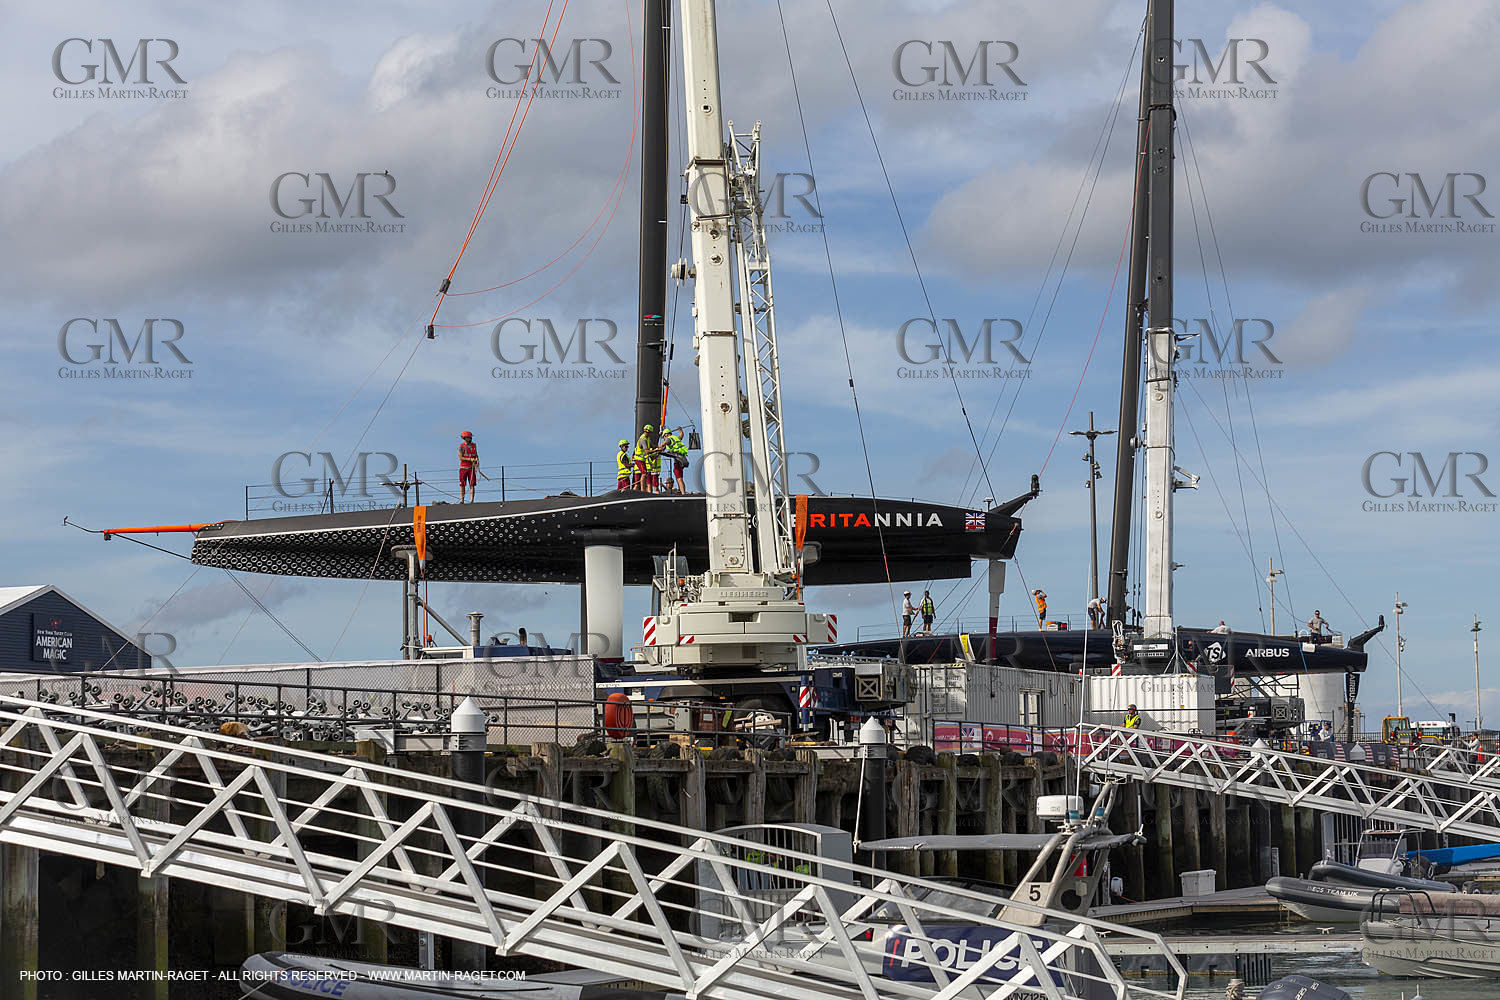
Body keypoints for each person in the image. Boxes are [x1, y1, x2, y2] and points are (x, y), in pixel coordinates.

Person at [663, 426, 690, 493]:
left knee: (679, 477)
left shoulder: (668, 439)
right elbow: (681, 436)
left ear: (666, 434)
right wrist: (681, 430)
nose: (664, 438)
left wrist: (657, 448)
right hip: (682, 459)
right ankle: (682, 491)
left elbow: (663, 444)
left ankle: (683, 492)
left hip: (678, 460)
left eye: (664, 436)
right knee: (680, 476)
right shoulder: (675, 438)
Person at [458, 431, 480, 503]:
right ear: (465, 438)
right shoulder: (461, 446)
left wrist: (477, 461)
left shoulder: (474, 445)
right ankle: (462, 500)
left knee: (472, 484)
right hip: (464, 468)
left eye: (470, 437)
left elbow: (476, 455)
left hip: (472, 468)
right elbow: (461, 458)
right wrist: (470, 459)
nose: (470, 439)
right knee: (462, 484)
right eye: (469, 437)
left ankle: (472, 500)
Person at [634, 425, 656, 493]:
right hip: (639, 459)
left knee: (645, 473)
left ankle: (643, 489)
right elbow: (647, 451)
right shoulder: (643, 439)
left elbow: (653, 446)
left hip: (642, 460)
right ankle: (642, 490)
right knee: (644, 473)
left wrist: (659, 448)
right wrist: (655, 450)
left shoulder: (647, 438)